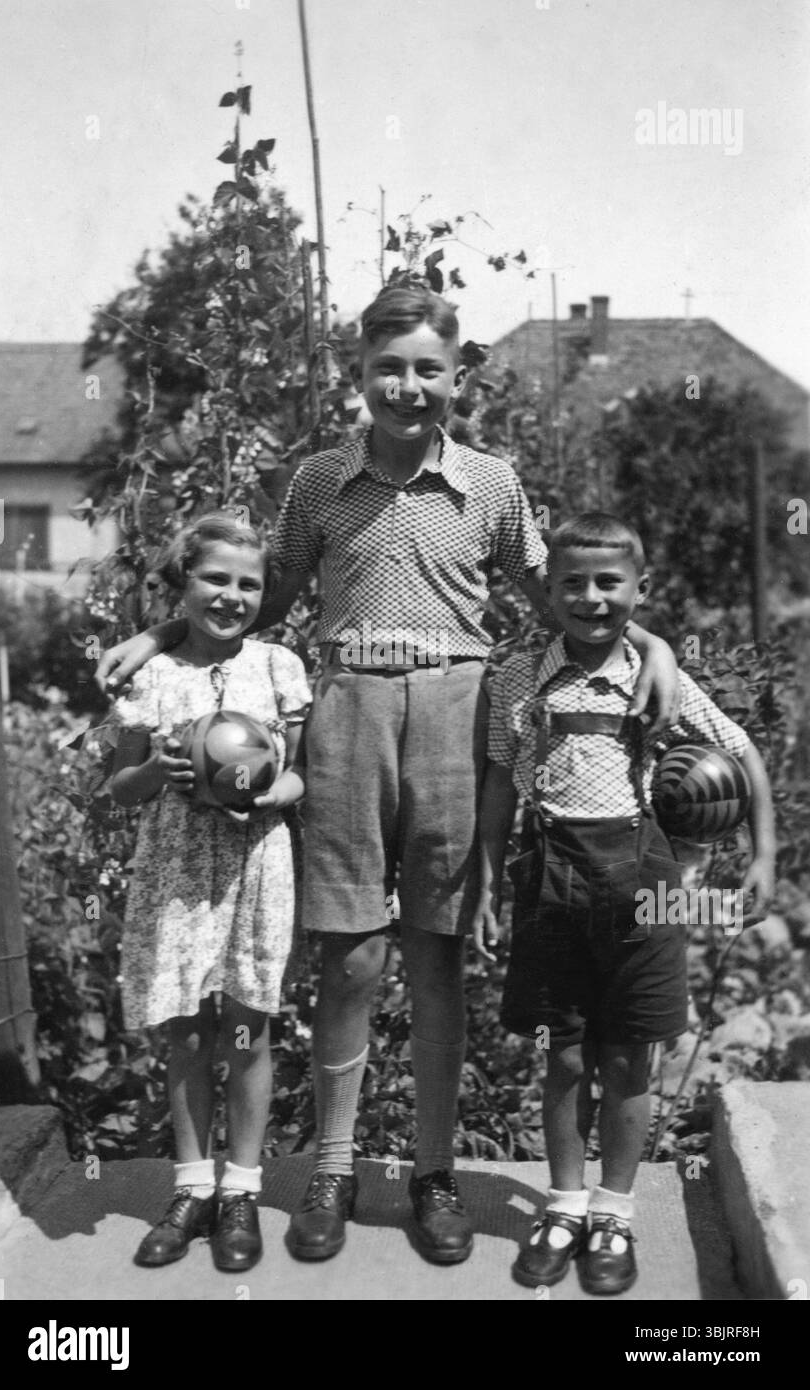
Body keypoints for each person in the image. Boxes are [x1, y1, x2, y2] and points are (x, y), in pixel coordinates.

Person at [96, 285, 681, 1267]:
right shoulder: (319, 480)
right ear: (357, 376)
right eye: (387, 369)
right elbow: (262, 598)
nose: (407, 386)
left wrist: (654, 646)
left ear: (457, 376)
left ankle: (432, 1170)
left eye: (426, 368)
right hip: (348, 711)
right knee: (352, 958)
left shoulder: (492, 484)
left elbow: (566, 595)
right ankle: (331, 1167)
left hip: (457, 710)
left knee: (436, 952)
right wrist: (158, 630)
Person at [474, 512, 775, 1294]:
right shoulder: (518, 677)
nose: (591, 597)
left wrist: (764, 856)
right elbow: (500, 785)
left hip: (649, 889)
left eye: (610, 582)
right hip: (551, 880)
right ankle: (565, 1205)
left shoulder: (657, 676)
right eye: (572, 582)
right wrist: (482, 884)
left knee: (629, 1058)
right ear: (548, 589)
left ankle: (614, 1211)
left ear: (641, 589)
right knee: (566, 1056)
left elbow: (742, 754)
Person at [109, 512, 311, 1272]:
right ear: (182, 583)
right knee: (187, 1028)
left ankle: (241, 1192)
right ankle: (191, 1185)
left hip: (255, 858)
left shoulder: (278, 666)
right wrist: (159, 770)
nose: (231, 596)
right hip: (177, 867)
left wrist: (269, 796)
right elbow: (122, 788)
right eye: (215, 579)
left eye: (248, 584)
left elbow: (302, 771)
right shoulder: (153, 674)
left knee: (246, 1026)